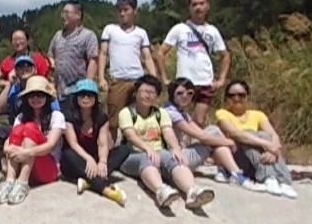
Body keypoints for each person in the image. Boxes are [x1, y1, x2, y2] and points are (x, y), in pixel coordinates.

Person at [118, 74, 214, 210]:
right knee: (147, 158)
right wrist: (147, 148)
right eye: (145, 91)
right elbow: (131, 136)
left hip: (158, 152)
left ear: (157, 96)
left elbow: (168, 131)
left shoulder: (161, 113)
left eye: (152, 93)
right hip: (132, 155)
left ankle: (192, 191)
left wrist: (175, 148)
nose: (148, 96)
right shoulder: (126, 112)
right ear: (136, 93)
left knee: (174, 158)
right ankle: (161, 191)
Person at [163, 78, 262, 191]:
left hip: (181, 154)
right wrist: (229, 142)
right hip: (176, 159)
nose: (185, 96)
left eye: (189, 93)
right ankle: (234, 173)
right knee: (213, 132)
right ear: (172, 93)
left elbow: (200, 133)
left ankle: (231, 172)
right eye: (180, 93)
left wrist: (219, 141)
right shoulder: (171, 113)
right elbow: (201, 137)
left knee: (213, 134)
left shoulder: (180, 111)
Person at [154, 0, 231, 127]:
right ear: (189, 8)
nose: (198, 7)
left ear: (207, 6)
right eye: (194, 4)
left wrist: (221, 79)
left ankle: (197, 141)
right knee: (180, 120)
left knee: (199, 121)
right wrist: (164, 78)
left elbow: (225, 56)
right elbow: (160, 53)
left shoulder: (212, 31)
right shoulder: (179, 29)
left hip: (205, 81)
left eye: (201, 3)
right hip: (184, 82)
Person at [215, 80, 297, 198]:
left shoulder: (258, 115)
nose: (236, 98)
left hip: (258, 161)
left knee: (266, 135)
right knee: (247, 134)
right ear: (227, 98)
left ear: (247, 96)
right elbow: (235, 134)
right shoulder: (222, 114)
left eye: (241, 95)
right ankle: (268, 177)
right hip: (239, 159)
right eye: (232, 95)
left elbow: (274, 136)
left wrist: (272, 151)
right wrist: (267, 144)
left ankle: (283, 182)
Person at [0, 76, 65, 205]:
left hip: (48, 169)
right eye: (32, 95)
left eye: (40, 95)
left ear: (47, 97)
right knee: (18, 129)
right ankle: (10, 180)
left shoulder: (56, 116)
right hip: (25, 163)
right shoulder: (21, 117)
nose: (35, 98)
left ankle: (22, 182)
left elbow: (50, 145)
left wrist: (24, 152)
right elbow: (9, 140)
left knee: (30, 127)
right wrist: (9, 149)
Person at [60, 79, 130, 204]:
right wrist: (88, 159)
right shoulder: (68, 116)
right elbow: (73, 144)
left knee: (124, 149)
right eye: (82, 95)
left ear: (95, 98)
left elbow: (103, 144)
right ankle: (106, 190)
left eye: (90, 95)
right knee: (67, 154)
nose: (86, 98)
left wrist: (102, 161)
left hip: (94, 158)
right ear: (76, 97)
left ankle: (88, 181)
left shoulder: (101, 117)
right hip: (76, 160)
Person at [98, 0, 156, 142]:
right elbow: (103, 53)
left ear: (134, 11)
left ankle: (136, 148)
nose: (122, 13)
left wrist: (153, 79)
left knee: (139, 118)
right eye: (120, 10)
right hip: (118, 80)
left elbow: (147, 57)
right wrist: (101, 77)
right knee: (113, 120)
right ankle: (109, 152)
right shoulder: (110, 30)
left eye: (126, 10)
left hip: (138, 80)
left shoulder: (141, 33)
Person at [0, 56, 60, 174]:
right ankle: (4, 170)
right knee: (0, 131)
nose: (24, 68)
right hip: (20, 129)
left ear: (35, 69)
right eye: (20, 66)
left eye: (28, 66)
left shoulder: (44, 86)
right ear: (15, 71)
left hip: (41, 132)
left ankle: (23, 175)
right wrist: (9, 84)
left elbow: (55, 117)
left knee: (29, 129)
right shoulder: (14, 88)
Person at [47, 0, 99, 108]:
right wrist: (52, 63)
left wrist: (87, 87)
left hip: (77, 90)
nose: (63, 16)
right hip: (59, 91)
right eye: (62, 13)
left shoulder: (88, 35)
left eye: (66, 12)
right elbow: (50, 54)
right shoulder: (58, 35)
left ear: (78, 15)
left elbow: (93, 61)